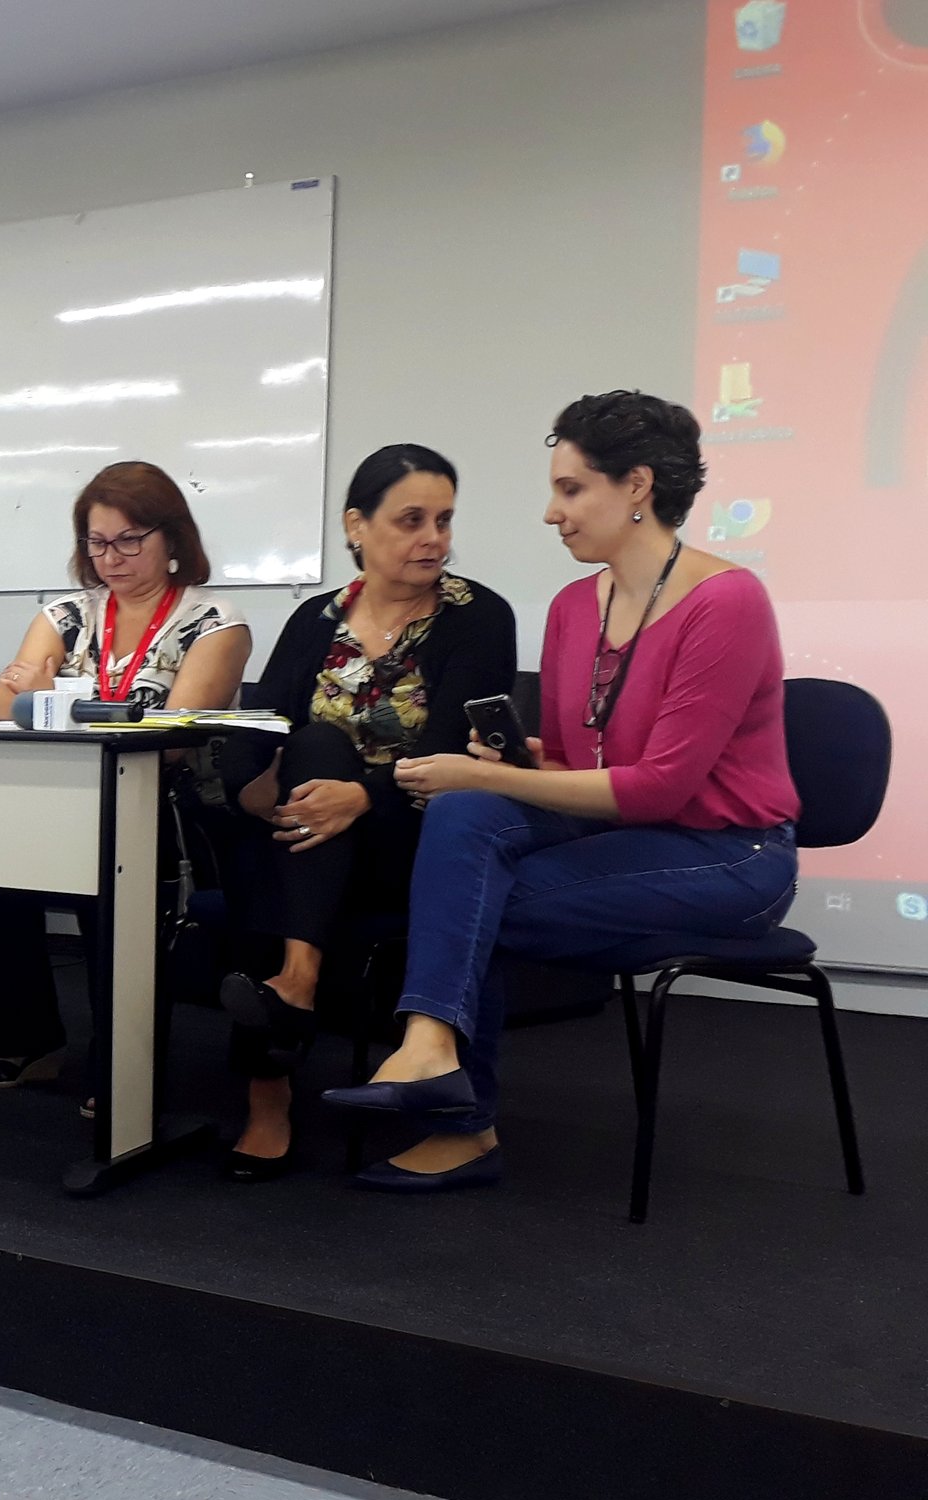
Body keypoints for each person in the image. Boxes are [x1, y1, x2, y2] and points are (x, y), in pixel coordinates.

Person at [325, 391, 800, 1192]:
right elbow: (579, 768)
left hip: (732, 856)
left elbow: (658, 790)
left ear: (637, 485)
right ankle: (433, 1054)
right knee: (466, 817)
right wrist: (519, 765)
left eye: (571, 490)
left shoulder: (727, 601)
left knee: (469, 895)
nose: (552, 513)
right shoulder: (574, 606)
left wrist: (487, 771)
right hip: (620, 838)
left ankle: (457, 1112)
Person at [211, 446, 516, 1182]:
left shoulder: (478, 617)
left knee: (302, 802)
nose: (434, 539)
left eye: (443, 520)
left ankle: (281, 1038)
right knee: (304, 768)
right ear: (357, 526)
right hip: (306, 834)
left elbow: (451, 752)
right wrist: (260, 792)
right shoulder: (314, 621)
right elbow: (256, 735)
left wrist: (361, 795)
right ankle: (293, 995)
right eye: (412, 520)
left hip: (412, 837)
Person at [0, 461, 251, 1091]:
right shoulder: (68, 614)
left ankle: (122, 1070)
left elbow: (169, 736)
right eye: (97, 543)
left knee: (118, 866)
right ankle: (27, 1041)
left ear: (172, 538)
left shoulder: (215, 623)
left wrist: (47, 699)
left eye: (129, 540)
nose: (111, 558)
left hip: (162, 804)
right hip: (61, 792)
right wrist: (38, 701)